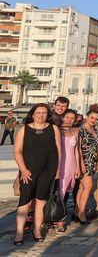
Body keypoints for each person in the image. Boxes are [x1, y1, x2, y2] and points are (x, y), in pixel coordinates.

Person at [14, 103, 61, 246]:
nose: (41, 115)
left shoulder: (53, 128)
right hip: (28, 171)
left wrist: (57, 170)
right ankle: (19, 232)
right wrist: (23, 169)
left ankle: (37, 230)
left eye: (44, 113)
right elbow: (17, 151)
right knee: (24, 202)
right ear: (33, 114)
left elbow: (59, 150)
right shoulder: (24, 129)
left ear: (48, 115)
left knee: (41, 201)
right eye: (38, 112)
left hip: (48, 170)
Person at [56, 109, 81, 232]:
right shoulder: (56, 131)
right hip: (60, 165)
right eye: (67, 117)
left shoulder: (75, 132)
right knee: (59, 193)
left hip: (71, 166)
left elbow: (76, 151)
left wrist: (77, 168)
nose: (69, 120)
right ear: (62, 117)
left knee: (65, 194)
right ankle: (59, 221)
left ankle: (59, 217)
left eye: (72, 118)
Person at [76, 104, 98, 224]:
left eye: (96, 119)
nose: (94, 120)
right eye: (92, 118)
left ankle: (78, 211)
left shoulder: (95, 129)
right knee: (89, 186)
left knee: (82, 188)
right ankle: (82, 213)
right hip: (84, 161)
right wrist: (80, 164)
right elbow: (78, 148)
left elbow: (97, 146)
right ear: (87, 116)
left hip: (92, 161)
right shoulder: (81, 129)